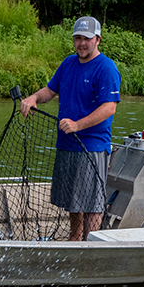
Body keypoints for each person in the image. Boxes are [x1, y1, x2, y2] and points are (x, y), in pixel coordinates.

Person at [19, 16, 120, 240]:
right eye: (77, 38)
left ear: (98, 39)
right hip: (66, 144)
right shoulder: (68, 63)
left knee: (92, 203)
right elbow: (49, 90)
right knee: (74, 201)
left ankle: (92, 245)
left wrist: (77, 125)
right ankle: (75, 240)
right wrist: (34, 98)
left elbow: (109, 108)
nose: (81, 43)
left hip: (92, 147)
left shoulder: (106, 68)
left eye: (86, 38)